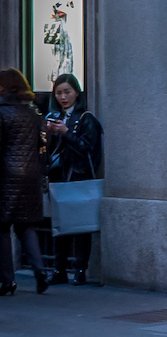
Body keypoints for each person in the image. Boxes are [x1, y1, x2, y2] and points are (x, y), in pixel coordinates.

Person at [42, 73, 102, 285]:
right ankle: (58, 269)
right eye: (59, 93)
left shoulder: (86, 119)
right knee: (59, 225)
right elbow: (46, 151)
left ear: (77, 92)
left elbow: (89, 150)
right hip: (59, 177)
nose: (63, 97)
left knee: (80, 226)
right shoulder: (53, 117)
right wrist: (49, 134)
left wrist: (67, 132)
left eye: (67, 92)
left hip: (78, 178)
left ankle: (79, 270)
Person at [0, 68, 50, 296]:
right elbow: (42, 147)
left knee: (2, 228)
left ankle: (7, 281)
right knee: (26, 226)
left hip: (7, 175)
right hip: (31, 174)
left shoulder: (3, 111)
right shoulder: (33, 112)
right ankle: (40, 272)